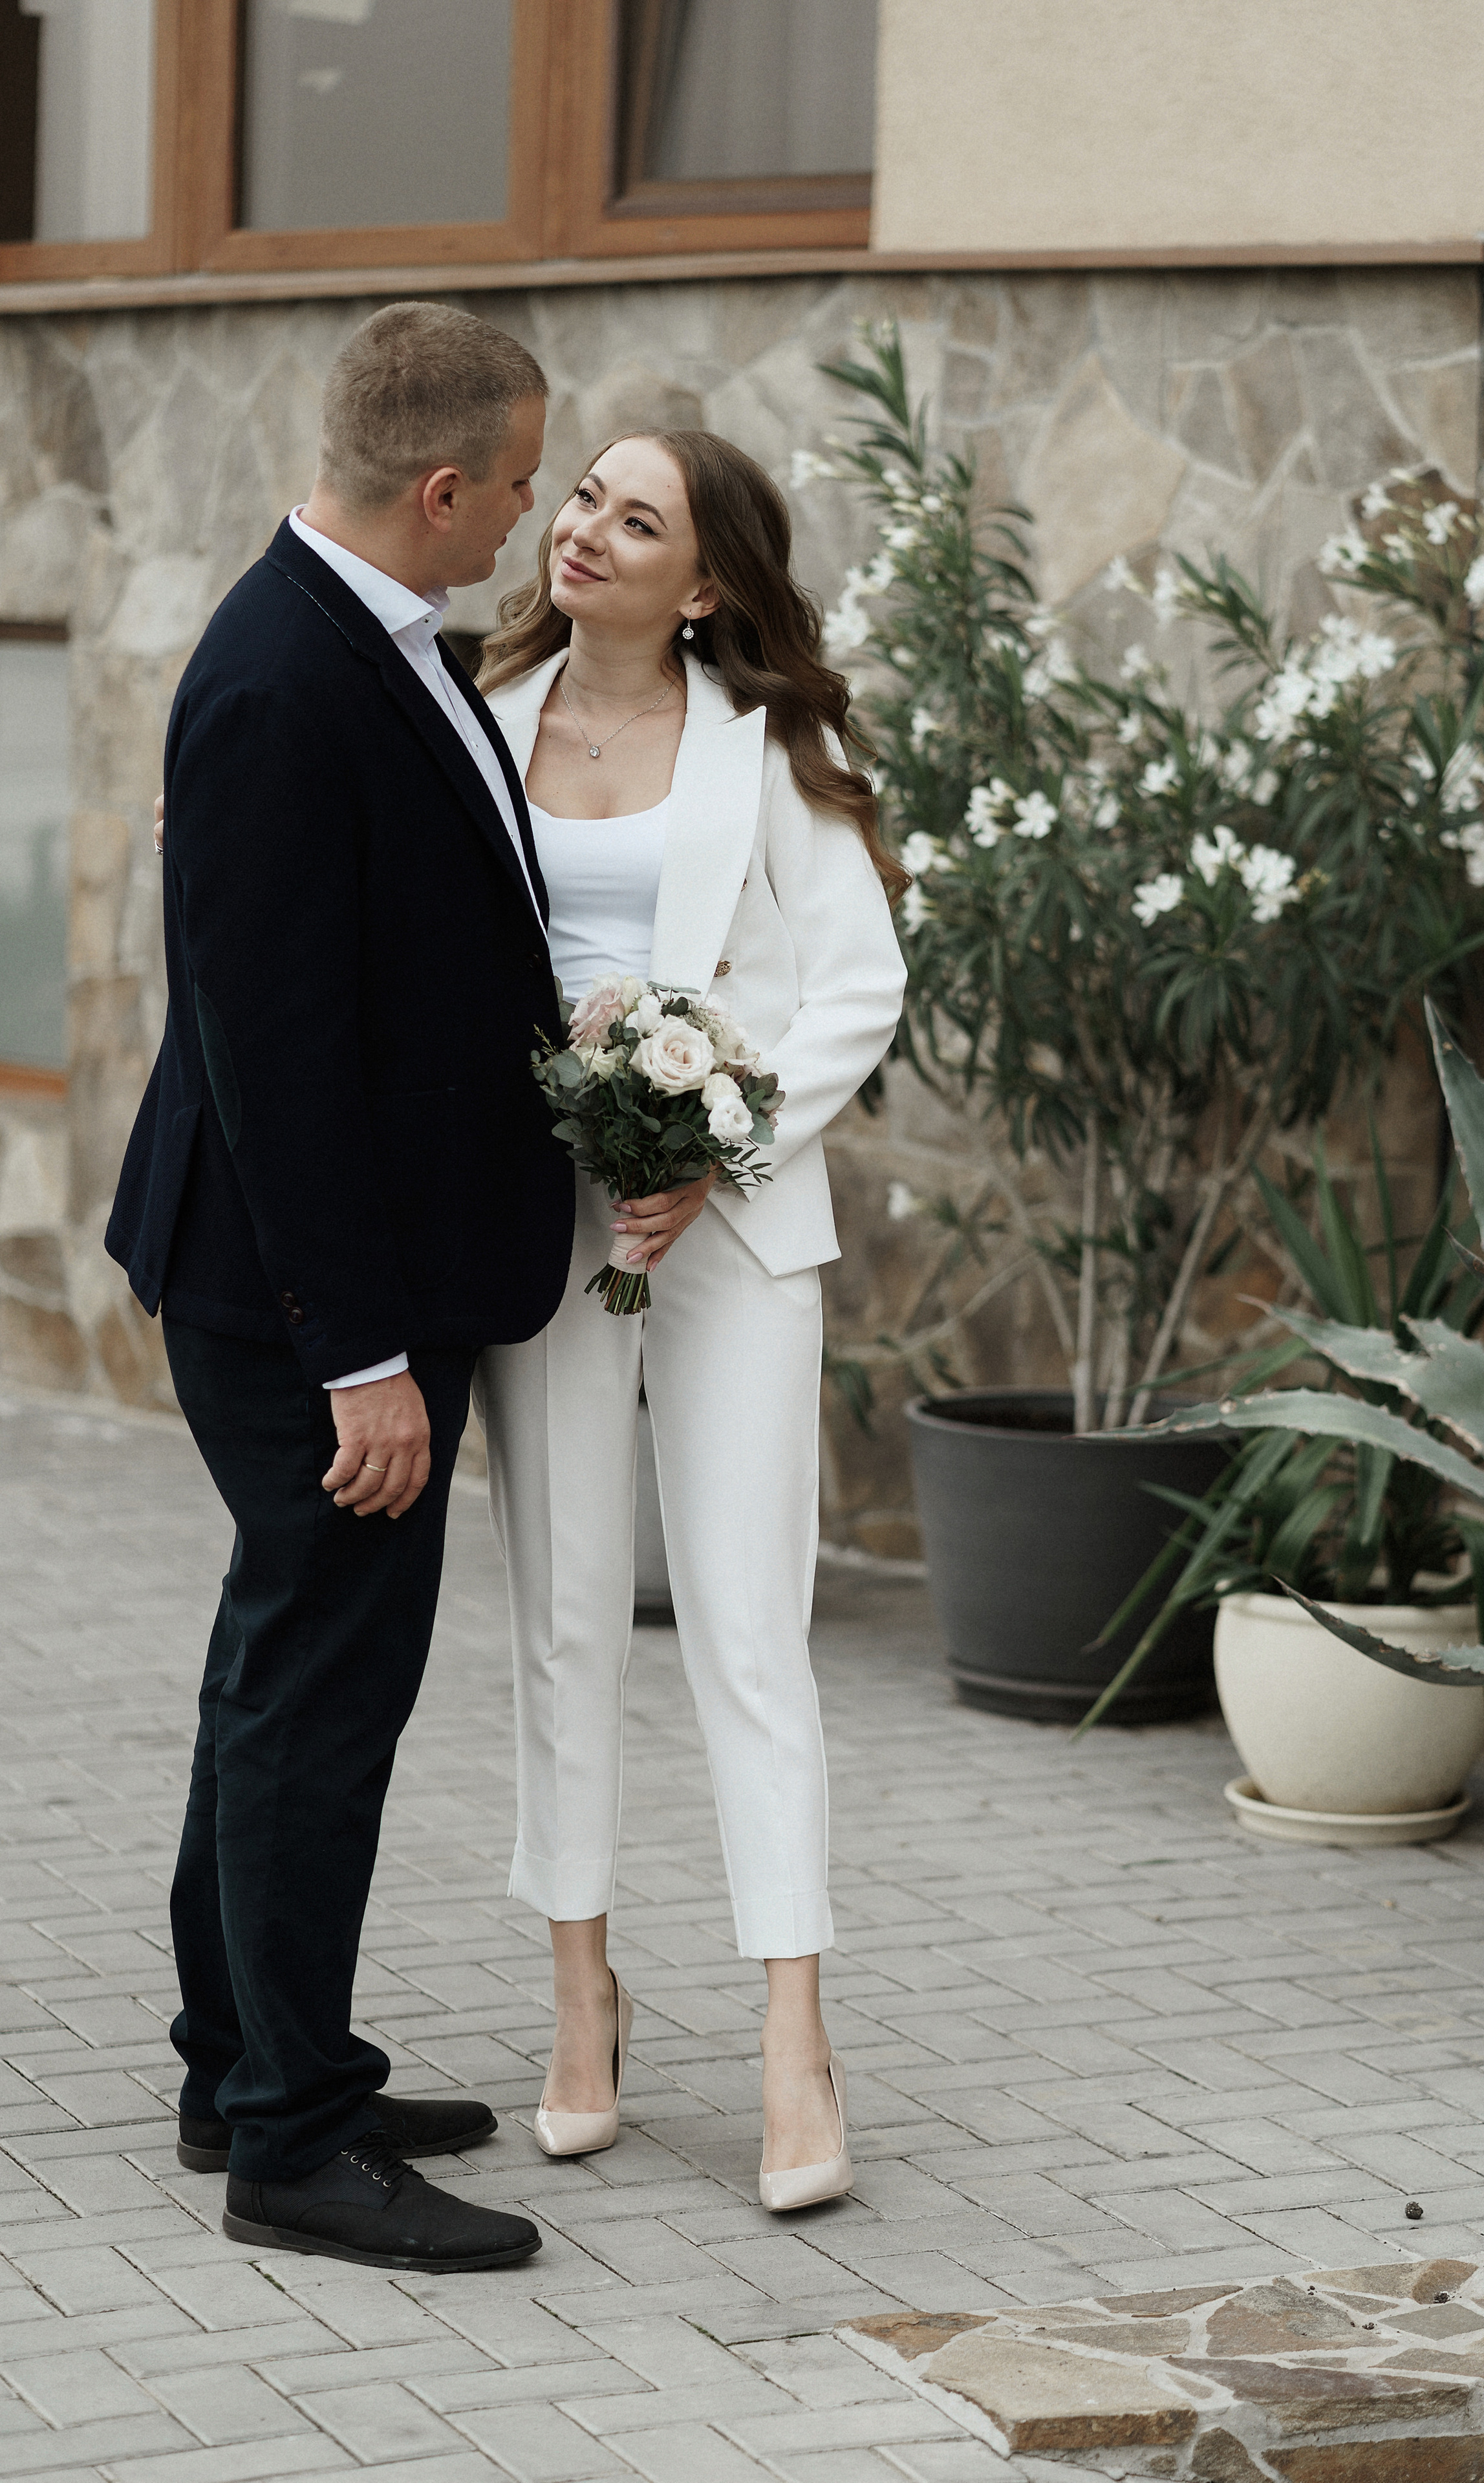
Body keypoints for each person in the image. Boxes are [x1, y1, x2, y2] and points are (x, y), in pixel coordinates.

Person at [107, 302, 575, 2272]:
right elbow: (272, 1056)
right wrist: (360, 1360)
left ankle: (249, 2055)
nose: (535, 512)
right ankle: (291, 2147)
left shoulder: (371, 638)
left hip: (337, 1283)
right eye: (524, 480)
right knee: (321, 1693)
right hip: (306, 1298)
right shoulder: (282, 683)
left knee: (276, 1665)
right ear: (442, 483)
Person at [473, 429, 908, 2211]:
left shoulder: (773, 752)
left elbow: (859, 983)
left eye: (634, 520)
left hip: (730, 1224)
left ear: (706, 581)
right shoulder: (474, 722)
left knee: (748, 1627)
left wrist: (718, 1147)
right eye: (582, 498)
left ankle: (794, 2039)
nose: (583, 530)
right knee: (566, 1619)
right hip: (534, 1225)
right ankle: (583, 1993)